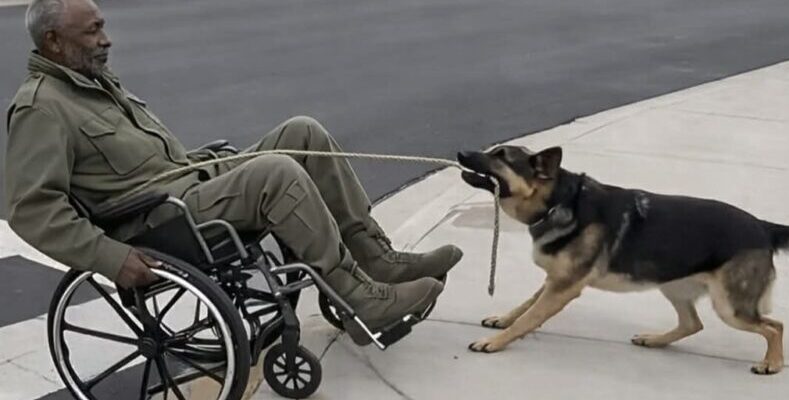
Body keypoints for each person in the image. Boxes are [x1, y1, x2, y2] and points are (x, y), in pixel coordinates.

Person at [4, 0, 462, 334]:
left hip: (188, 187)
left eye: (103, 26)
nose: (106, 39)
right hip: (158, 220)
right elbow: (32, 209)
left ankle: (375, 260)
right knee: (275, 173)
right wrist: (110, 258)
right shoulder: (42, 109)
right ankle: (358, 297)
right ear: (54, 42)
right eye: (92, 31)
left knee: (302, 132)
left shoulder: (93, 83)